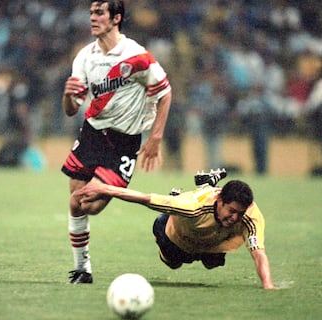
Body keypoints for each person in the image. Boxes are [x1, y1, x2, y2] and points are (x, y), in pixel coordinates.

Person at [61, 0, 172, 284]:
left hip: (124, 143)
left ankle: (106, 187)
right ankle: (82, 270)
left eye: (99, 13)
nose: (93, 18)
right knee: (75, 200)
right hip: (92, 134)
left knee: (92, 205)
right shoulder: (85, 57)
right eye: (91, 14)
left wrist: (156, 136)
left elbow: (165, 92)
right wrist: (68, 96)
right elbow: (71, 108)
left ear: (116, 18)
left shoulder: (137, 56)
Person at [74, 169, 277, 290]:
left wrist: (268, 285)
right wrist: (103, 188)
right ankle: (185, 195)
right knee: (172, 263)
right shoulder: (193, 207)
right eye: (231, 211)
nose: (235, 218)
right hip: (176, 234)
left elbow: (259, 253)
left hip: (210, 243)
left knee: (212, 264)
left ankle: (205, 184)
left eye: (239, 214)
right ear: (220, 200)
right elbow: (144, 198)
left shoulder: (250, 216)